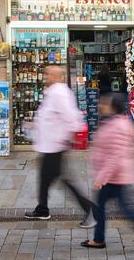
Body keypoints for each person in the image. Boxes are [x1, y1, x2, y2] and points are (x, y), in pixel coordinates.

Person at [81, 93, 134, 254]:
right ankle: (99, 238)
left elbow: (115, 155)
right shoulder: (115, 122)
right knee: (101, 206)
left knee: (126, 209)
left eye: (105, 103)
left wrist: (102, 178)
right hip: (113, 175)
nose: (101, 105)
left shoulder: (118, 126)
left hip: (115, 177)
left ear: (113, 107)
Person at [24, 65, 97, 228]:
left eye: (48, 73)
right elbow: (48, 116)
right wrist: (34, 125)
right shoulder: (52, 92)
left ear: (57, 76)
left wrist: (73, 138)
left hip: (55, 146)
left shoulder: (59, 93)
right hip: (48, 145)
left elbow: (72, 117)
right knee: (44, 178)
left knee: (64, 180)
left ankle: (91, 210)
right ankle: (42, 209)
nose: (45, 76)